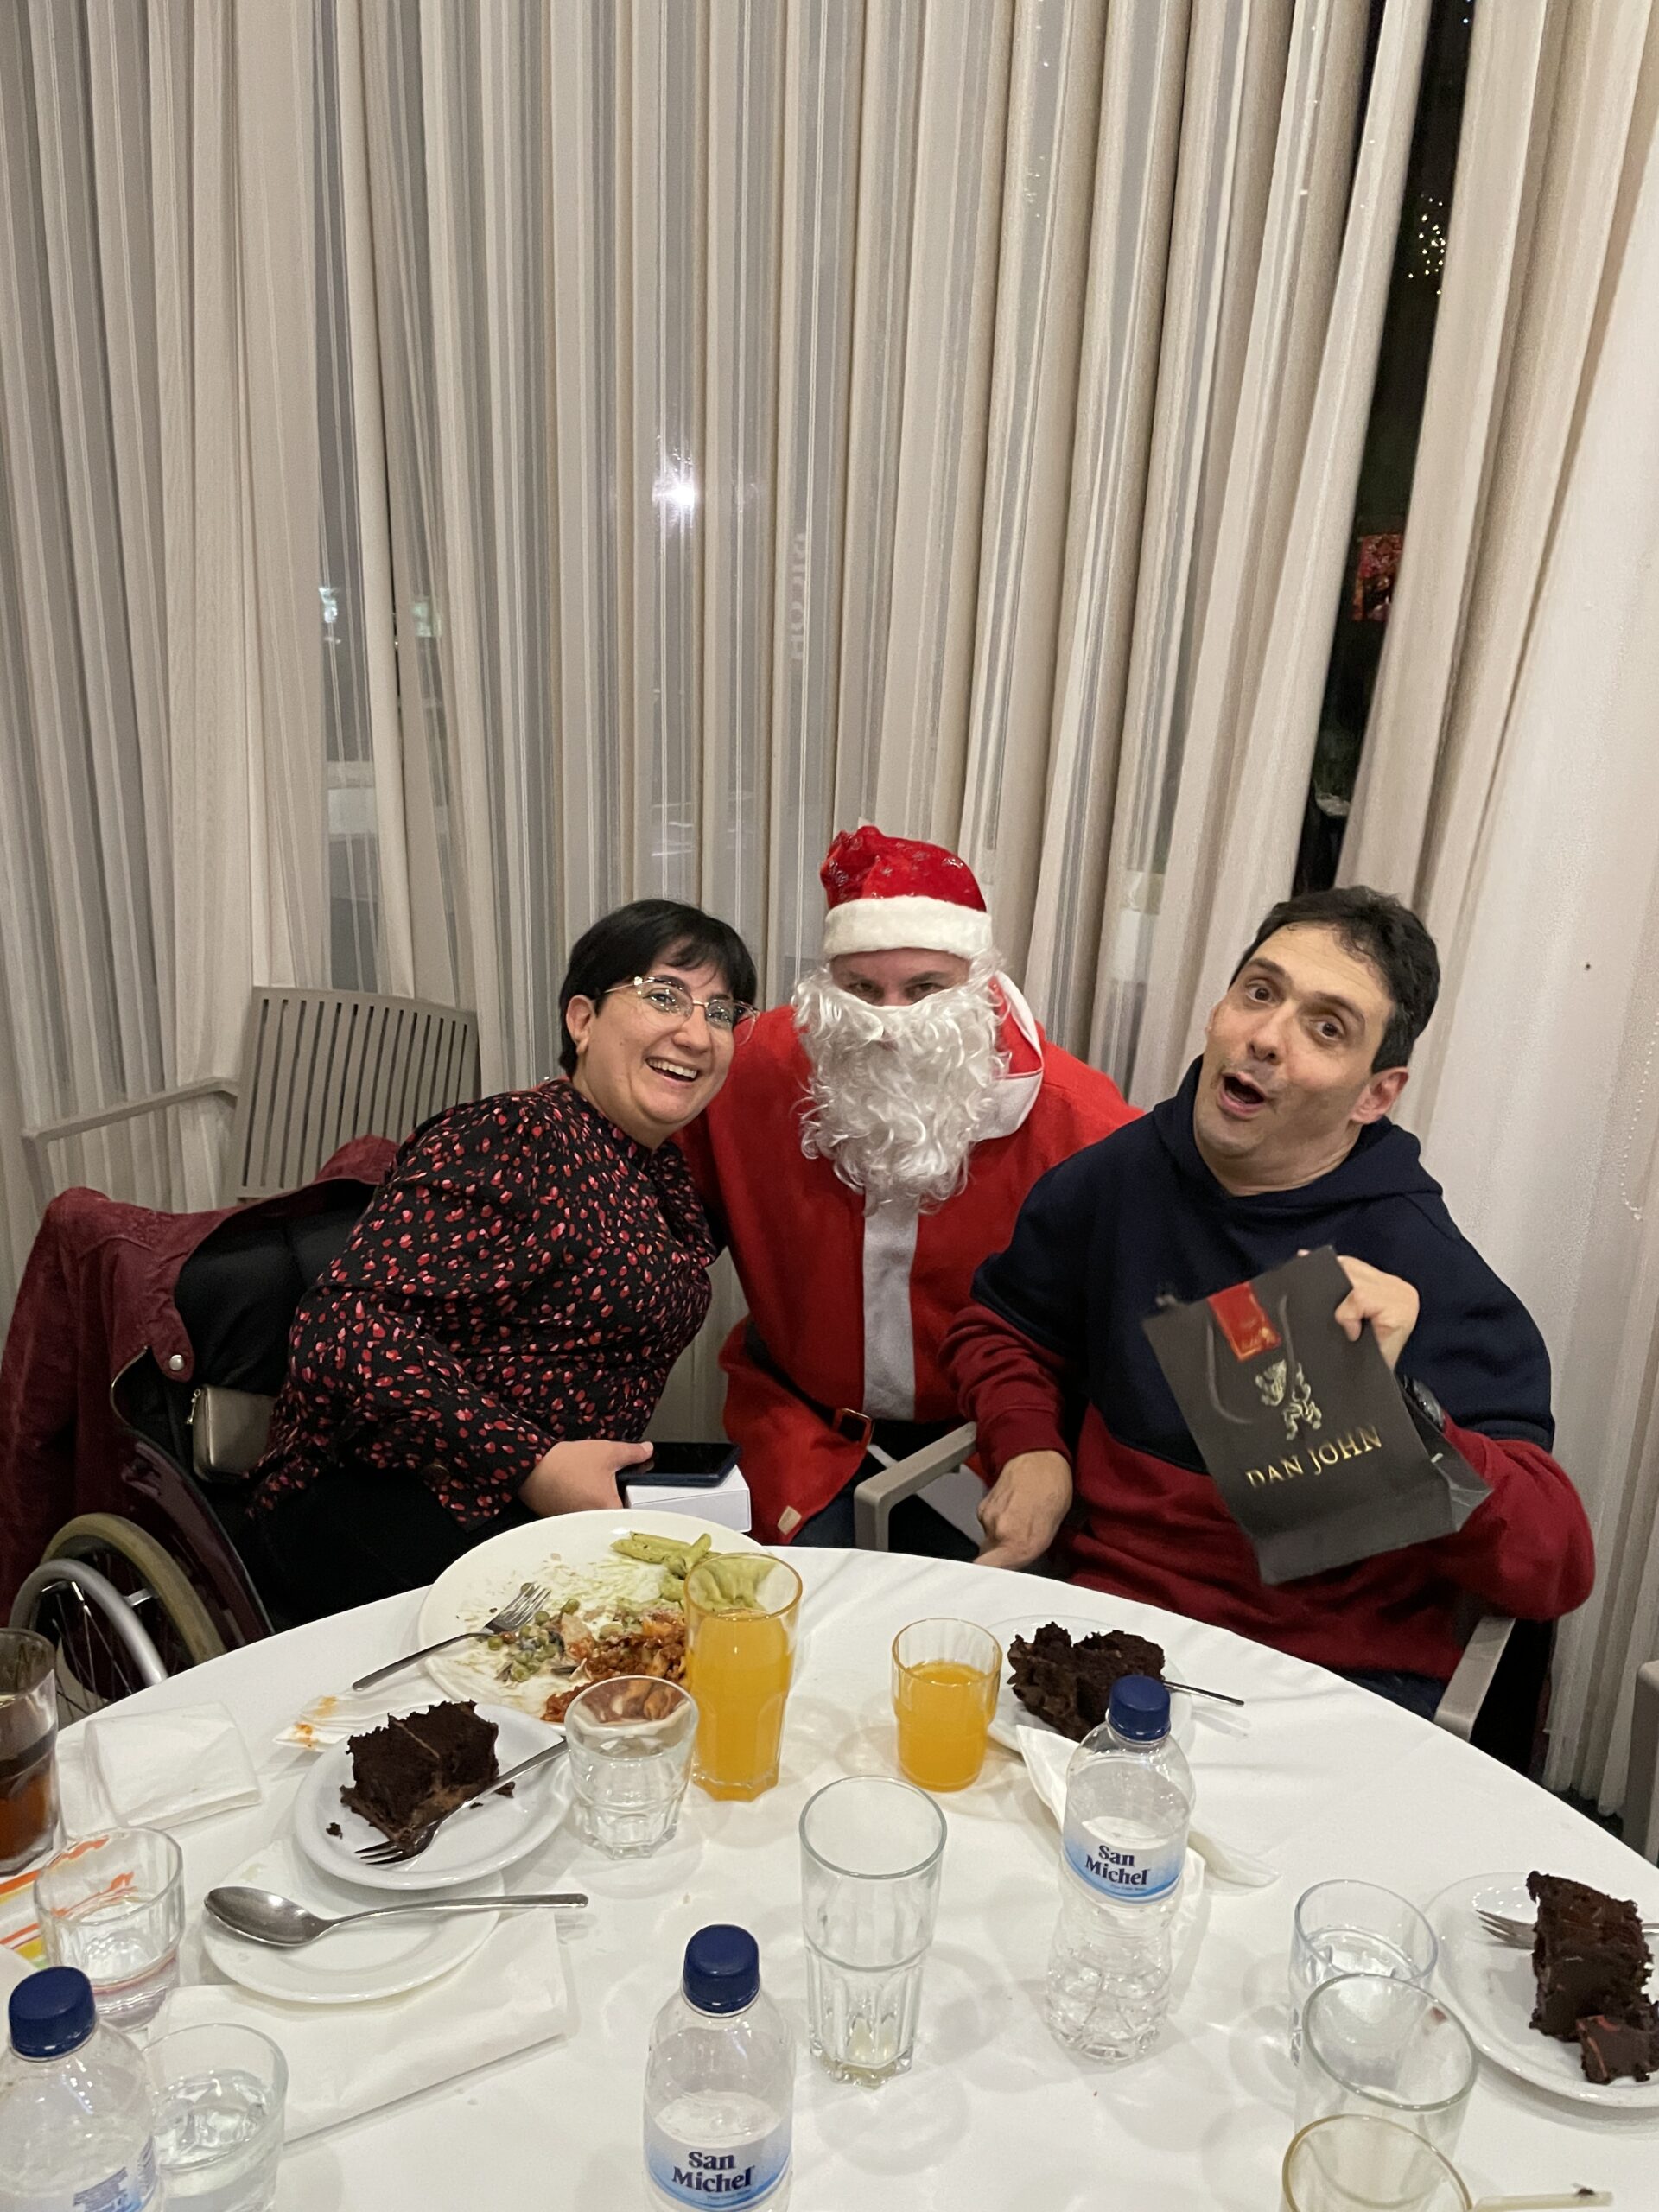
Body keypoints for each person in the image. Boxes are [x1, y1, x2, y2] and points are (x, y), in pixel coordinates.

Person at [944, 885, 1595, 1714]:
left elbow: (1554, 1567)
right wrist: (1032, 1448)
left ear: (1375, 1094)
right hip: (1101, 1629)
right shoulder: (1115, 1179)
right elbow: (1002, 1330)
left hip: (1322, 1684)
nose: (1266, 1037)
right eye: (1259, 992)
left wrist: (1402, 1419)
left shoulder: (1418, 1266)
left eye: (1327, 1028)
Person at [241, 899, 757, 1621]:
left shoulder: (660, 1174)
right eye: (664, 996)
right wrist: (531, 1462)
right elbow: (343, 1329)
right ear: (582, 1019)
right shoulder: (515, 1136)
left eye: (721, 1012)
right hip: (391, 1492)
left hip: (535, 1508)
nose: (697, 1033)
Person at [679, 824, 1135, 1552]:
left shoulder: (1081, 1124)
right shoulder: (751, 1067)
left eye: (925, 988)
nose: (890, 1023)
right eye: (862, 990)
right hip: (797, 1437)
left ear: (977, 982)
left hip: (981, 1454)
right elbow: (646, 1203)